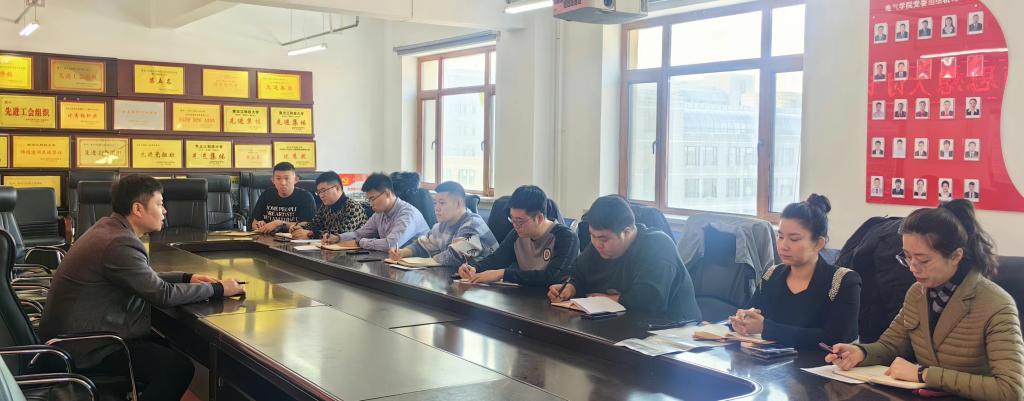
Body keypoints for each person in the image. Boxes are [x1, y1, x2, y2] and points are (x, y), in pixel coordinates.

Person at [39, 175, 246, 401]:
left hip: (73, 339)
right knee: (176, 368)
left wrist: (187, 277)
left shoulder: (109, 229)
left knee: (165, 346)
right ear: (138, 209)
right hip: (86, 349)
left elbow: (142, 278)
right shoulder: (119, 243)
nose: (165, 210)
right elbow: (162, 294)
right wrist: (219, 289)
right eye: (159, 204)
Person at [825, 201, 1023, 401]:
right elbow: (891, 346)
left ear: (956, 256)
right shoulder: (917, 293)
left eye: (923, 260)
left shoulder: (996, 305)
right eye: (907, 257)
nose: (913, 268)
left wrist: (924, 374)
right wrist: (859, 353)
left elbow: (1010, 389)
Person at [729, 195, 860, 349]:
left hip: (816, 362)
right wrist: (742, 321)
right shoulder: (772, 275)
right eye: (780, 236)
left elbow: (836, 338)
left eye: (794, 239)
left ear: (818, 243)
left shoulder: (842, 281)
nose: (783, 245)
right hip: (768, 360)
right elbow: (753, 313)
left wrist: (767, 328)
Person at [548, 195, 701, 320]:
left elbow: (649, 300)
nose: (596, 244)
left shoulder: (658, 245)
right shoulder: (599, 245)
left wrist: (609, 299)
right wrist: (570, 288)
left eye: (603, 239)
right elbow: (579, 273)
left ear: (627, 232)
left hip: (674, 331)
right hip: (624, 326)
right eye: (592, 236)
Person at [460, 185, 579, 287]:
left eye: (520, 221)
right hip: (525, 298)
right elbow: (497, 259)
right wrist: (473, 268)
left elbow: (553, 277)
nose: (515, 225)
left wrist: (503, 274)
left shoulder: (566, 238)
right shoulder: (517, 234)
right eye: (512, 219)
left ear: (539, 218)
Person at [389, 181, 498, 267]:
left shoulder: (473, 224)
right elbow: (422, 246)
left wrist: (420, 262)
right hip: (462, 278)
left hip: (489, 281)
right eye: (435, 203)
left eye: (442, 203)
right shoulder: (441, 226)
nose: (436, 208)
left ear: (458, 203)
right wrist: (403, 252)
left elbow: (456, 256)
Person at [327, 173, 430, 251]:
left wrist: (359, 243)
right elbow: (360, 233)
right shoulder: (379, 214)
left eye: (372, 199)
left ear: (387, 194)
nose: (370, 204)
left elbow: (391, 244)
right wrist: (339, 238)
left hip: (421, 267)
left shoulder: (407, 213)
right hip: (396, 262)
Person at [290, 171, 370, 240]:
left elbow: (341, 234)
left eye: (323, 190)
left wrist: (310, 234)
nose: (321, 195)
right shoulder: (325, 206)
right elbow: (315, 224)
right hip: (329, 247)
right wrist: (300, 227)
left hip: (354, 250)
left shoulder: (353, 207)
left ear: (337, 188)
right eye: (319, 192)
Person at [251, 162, 316, 233]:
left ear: (296, 179)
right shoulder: (266, 194)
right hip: (267, 237)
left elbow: (308, 225)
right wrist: (260, 226)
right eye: (278, 178)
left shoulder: (306, 197)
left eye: (287, 178)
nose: (283, 183)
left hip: (294, 237)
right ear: (273, 180)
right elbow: (254, 223)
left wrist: (279, 223)